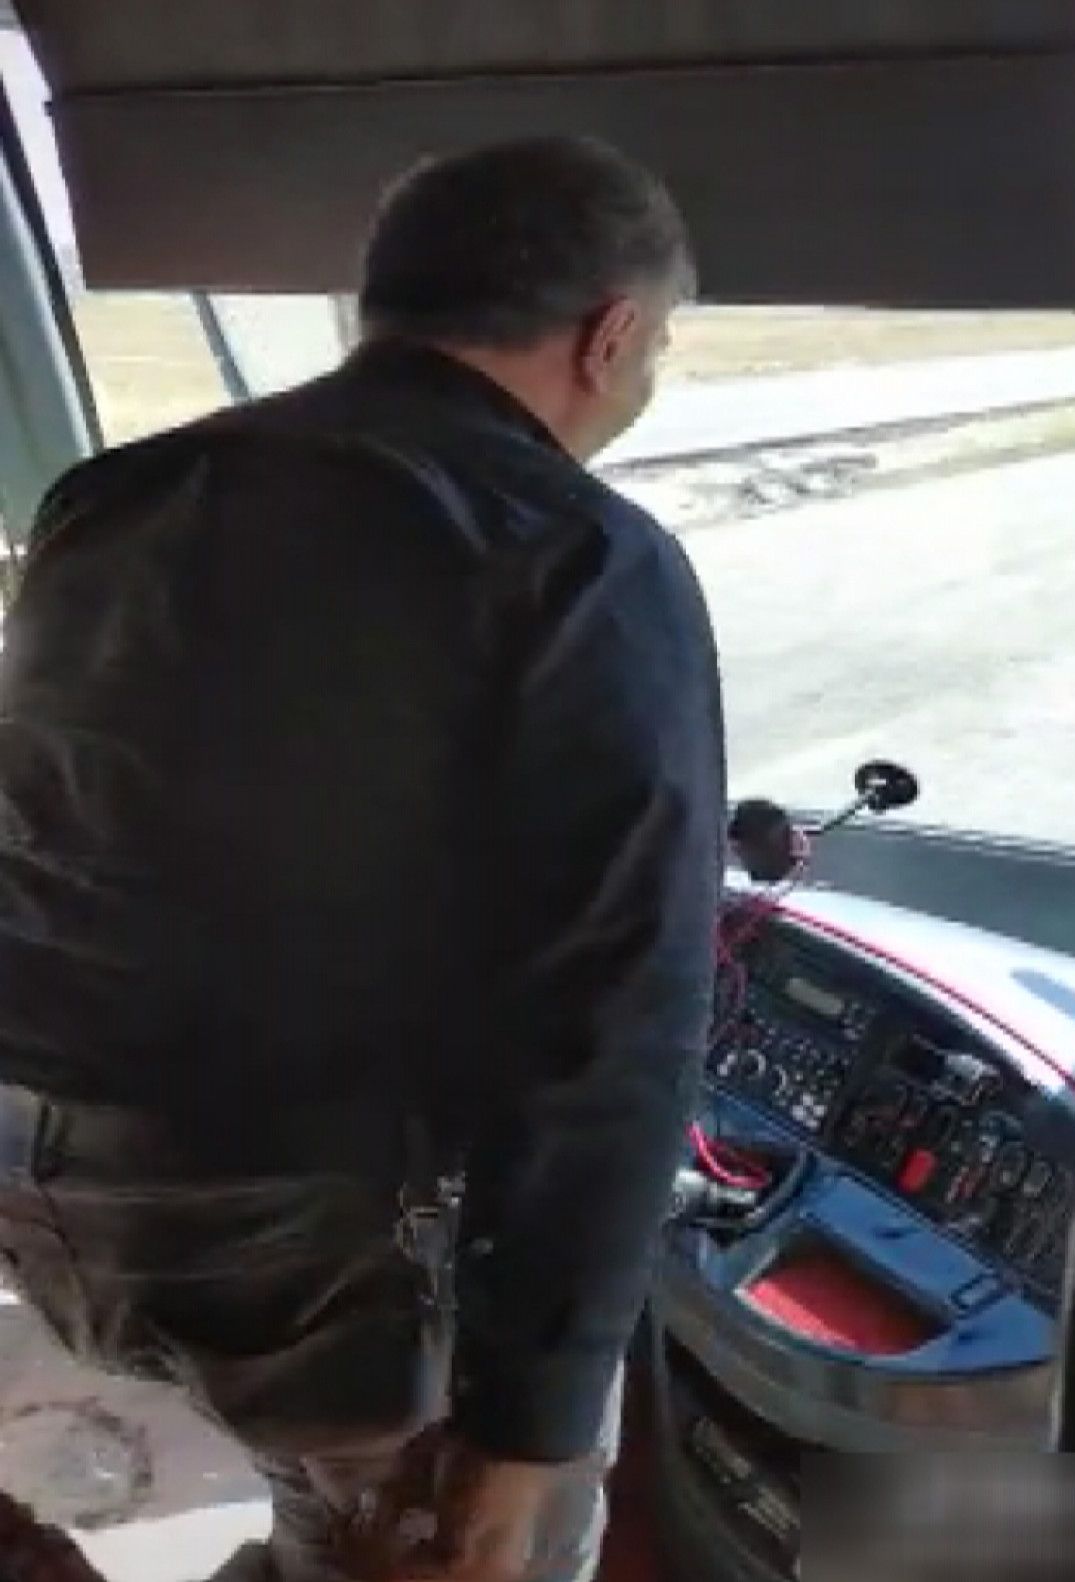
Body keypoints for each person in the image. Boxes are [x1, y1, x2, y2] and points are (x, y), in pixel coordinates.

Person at [0, 137, 726, 1581]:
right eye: (656, 349)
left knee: (301, 1498)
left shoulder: (112, 495)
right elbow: (615, 1023)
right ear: (611, 336)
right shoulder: (579, 552)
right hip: (300, 1249)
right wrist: (531, 1423)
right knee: (432, 1547)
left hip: (47, 1182)